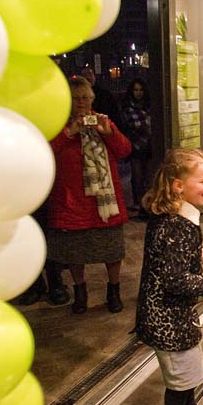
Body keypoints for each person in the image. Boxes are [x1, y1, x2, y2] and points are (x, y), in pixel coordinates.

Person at [136, 148, 203, 405]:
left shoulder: (173, 214)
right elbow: (174, 280)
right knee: (180, 377)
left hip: (173, 314)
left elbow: (167, 254)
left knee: (189, 369)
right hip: (166, 318)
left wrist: (195, 254)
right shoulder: (177, 225)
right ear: (178, 185)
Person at [46, 76, 131, 314]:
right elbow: (46, 152)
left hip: (105, 203)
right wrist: (70, 132)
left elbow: (125, 150)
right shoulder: (58, 125)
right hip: (72, 201)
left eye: (85, 97)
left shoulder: (103, 121)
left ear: (92, 98)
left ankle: (113, 291)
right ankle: (80, 292)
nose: (81, 102)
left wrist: (108, 133)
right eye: (75, 98)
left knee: (112, 251)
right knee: (75, 252)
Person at [119, 78, 152, 216]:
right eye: (136, 90)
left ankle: (147, 204)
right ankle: (139, 204)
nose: (138, 93)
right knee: (137, 177)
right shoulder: (128, 107)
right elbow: (134, 124)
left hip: (148, 146)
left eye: (140, 90)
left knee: (148, 176)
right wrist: (146, 122)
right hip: (136, 147)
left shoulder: (148, 105)